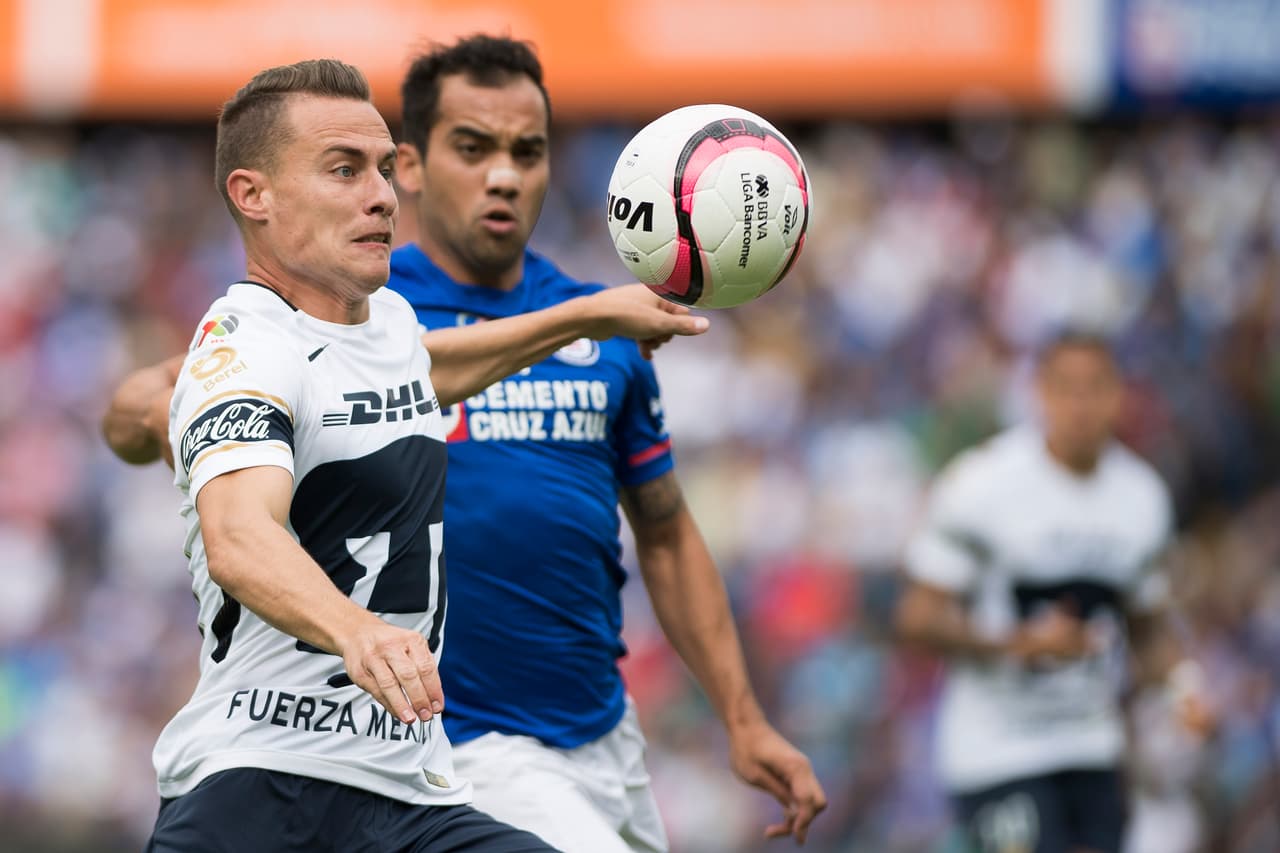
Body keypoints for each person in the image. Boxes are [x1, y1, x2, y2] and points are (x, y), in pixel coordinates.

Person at [105, 35, 826, 852]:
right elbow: (236, 526)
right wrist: (352, 624)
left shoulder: (385, 323)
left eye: (528, 151)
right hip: (302, 769)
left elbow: (427, 366)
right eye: (348, 170)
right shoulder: (258, 337)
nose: (378, 194)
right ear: (255, 194)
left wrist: (587, 317)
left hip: (433, 777)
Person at [894, 332, 1211, 853]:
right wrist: (1021, 644)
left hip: (1092, 743)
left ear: (1119, 395)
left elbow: (1146, 625)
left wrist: (1183, 689)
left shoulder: (1141, 498)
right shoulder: (982, 487)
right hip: (998, 749)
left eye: (1095, 388)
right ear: (1039, 393)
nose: (1080, 405)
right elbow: (916, 619)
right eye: (1066, 388)